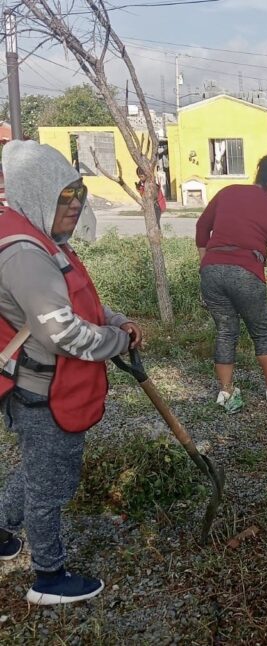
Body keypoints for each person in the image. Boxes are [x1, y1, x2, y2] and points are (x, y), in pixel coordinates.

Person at [0, 140, 143, 605]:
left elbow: (75, 299)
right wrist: (117, 342)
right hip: (43, 386)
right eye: (64, 195)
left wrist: (115, 319)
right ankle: (48, 577)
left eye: (77, 191)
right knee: (52, 484)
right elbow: (63, 332)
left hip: (39, 379)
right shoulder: (24, 250)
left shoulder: (41, 237)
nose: (76, 203)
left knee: (37, 468)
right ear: (37, 192)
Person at [196, 151, 267, 413]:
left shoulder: (228, 192)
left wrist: (205, 261)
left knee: (226, 331)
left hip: (211, 273)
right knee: (261, 331)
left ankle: (226, 393)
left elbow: (201, 227)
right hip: (246, 274)